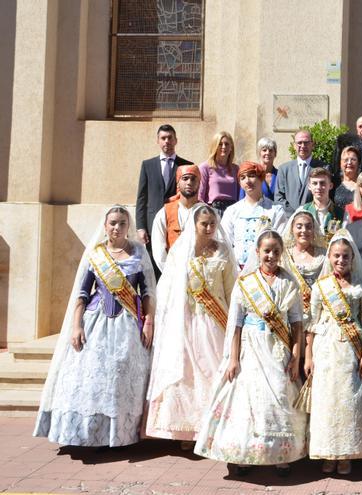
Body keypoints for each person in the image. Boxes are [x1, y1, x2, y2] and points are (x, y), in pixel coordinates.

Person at [34, 206, 156, 447]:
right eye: (112, 223)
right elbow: (82, 293)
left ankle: (118, 435)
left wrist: (149, 323)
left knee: (120, 375)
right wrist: (76, 326)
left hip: (128, 325)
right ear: (105, 226)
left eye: (122, 223)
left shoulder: (139, 253)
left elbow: (147, 292)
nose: (117, 227)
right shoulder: (96, 254)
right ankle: (87, 434)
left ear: (127, 226)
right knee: (92, 377)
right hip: (95, 322)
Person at [194, 230, 308, 477]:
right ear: (257, 252)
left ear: (281, 253)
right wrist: (233, 358)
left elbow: (297, 323)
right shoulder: (245, 283)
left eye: (276, 251)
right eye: (266, 251)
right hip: (251, 348)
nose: (271, 255)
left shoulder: (289, 282)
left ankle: (282, 455)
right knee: (249, 399)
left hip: (279, 348)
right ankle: (244, 454)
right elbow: (235, 324)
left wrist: (296, 357)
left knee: (279, 393)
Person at [145, 204, 238, 445]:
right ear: (194, 225)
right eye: (203, 224)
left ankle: (213, 427)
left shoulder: (224, 252)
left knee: (213, 371)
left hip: (216, 322)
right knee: (187, 375)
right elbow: (167, 289)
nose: (208, 228)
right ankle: (190, 429)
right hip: (186, 321)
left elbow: (231, 290)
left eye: (211, 224)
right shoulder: (180, 251)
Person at [304, 230, 362, 474]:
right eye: (336, 256)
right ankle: (328, 451)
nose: (340, 260)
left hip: (351, 350)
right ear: (329, 258)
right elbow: (311, 324)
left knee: (349, 399)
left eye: (345, 256)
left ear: (352, 258)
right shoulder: (321, 286)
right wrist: (308, 356)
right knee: (327, 400)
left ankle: (346, 452)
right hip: (325, 349)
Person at [136, 124, 194, 273]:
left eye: (170, 138)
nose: (166, 141)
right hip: (151, 227)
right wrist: (140, 227)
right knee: (154, 269)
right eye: (163, 138)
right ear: (158, 141)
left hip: (178, 225)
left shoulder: (186, 165)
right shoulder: (147, 165)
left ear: (176, 140)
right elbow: (142, 198)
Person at [221, 161, 289, 269]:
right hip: (236, 269)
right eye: (243, 178)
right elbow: (225, 242)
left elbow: (281, 241)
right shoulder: (232, 211)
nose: (247, 181)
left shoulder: (275, 210)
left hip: (266, 268)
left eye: (251, 176)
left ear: (261, 178)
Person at [280, 210, 327, 326]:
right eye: (299, 227)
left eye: (308, 227)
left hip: (317, 312)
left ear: (314, 229)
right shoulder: (284, 255)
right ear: (292, 229)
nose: (304, 231)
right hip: (290, 311)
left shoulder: (324, 255)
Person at [151, 164, 201, 271]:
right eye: (185, 178)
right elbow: (159, 250)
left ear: (199, 183)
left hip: (201, 276)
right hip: (173, 274)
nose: (189, 182)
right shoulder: (164, 213)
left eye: (193, 179)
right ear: (178, 183)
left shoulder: (207, 213)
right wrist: (170, 274)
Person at [275, 129, 329, 214]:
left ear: (313, 144)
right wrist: (295, 215)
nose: (303, 146)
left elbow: (326, 195)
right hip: (289, 220)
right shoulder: (284, 169)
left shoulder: (324, 168)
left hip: (315, 218)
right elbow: (278, 197)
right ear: (294, 146)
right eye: (299, 143)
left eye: (306, 142)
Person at [197, 131, 239, 216]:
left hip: (233, 212)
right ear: (215, 146)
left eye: (227, 144)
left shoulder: (236, 169)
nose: (224, 147)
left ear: (231, 147)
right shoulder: (205, 167)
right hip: (214, 211)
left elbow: (240, 195)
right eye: (220, 144)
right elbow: (200, 196)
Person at [300, 167, 346, 243]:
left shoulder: (343, 214)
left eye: (322, 183)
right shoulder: (302, 211)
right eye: (314, 183)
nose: (318, 187)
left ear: (330, 186)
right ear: (309, 187)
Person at [238, 137, 280, 202]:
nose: (267, 153)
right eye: (264, 150)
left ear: (275, 153)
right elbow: (242, 197)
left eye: (271, 150)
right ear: (259, 153)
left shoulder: (280, 175)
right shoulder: (251, 174)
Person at [331, 145, 362, 211]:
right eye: (346, 160)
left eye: (353, 159)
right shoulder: (334, 183)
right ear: (340, 163)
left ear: (359, 163)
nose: (349, 163)